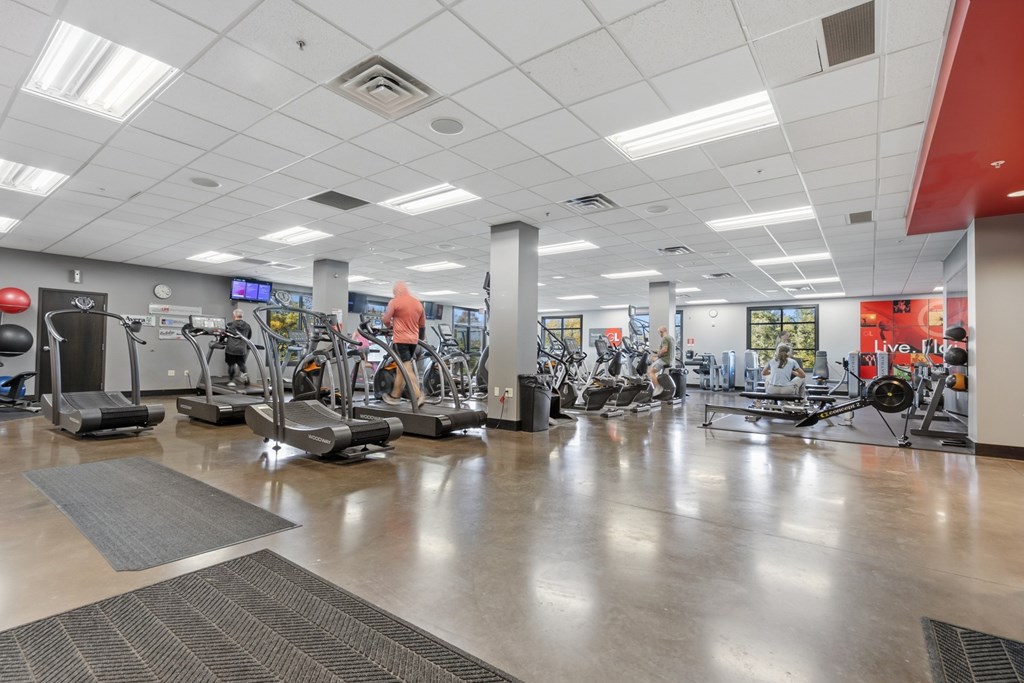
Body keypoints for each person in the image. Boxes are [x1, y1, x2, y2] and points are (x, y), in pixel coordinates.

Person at [381, 281, 426, 407]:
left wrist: (389, 325)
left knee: (406, 367)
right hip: (413, 341)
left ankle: (418, 395)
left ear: (396, 291)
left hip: (401, 339)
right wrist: (420, 339)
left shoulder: (395, 302)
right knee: (401, 367)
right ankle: (395, 396)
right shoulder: (417, 303)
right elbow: (422, 324)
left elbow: (386, 320)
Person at [224, 309, 252, 387]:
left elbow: (224, 334)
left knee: (231, 364)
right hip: (242, 349)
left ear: (234, 316)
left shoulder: (230, 325)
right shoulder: (247, 326)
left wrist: (221, 340)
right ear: (242, 316)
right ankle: (245, 378)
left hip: (231, 349)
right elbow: (248, 337)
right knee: (241, 363)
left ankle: (231, 381)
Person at [647, 325, 676, 397]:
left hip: (664, 360)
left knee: (651, 371)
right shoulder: (671, 338)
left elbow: (665, 349)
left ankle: (658, 387)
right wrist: (658, 352)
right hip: (669, 359)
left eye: (659, 333)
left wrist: (658, 355)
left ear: (661, 332)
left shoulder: (665, 338)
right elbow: (667, 350)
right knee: (653, 361)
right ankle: (656, 383)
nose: (659, 334)